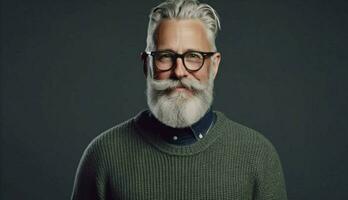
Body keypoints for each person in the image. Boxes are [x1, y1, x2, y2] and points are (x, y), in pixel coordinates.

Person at [71, 0, 288, 199]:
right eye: (165, 56)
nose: (179, 71)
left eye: (194, 56)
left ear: (214, 65)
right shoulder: (102, 156)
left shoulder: (258, 156)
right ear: (147, 65)